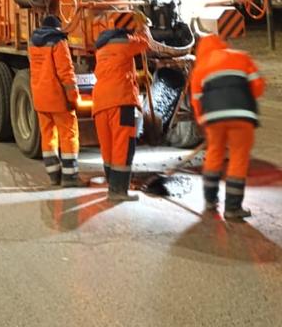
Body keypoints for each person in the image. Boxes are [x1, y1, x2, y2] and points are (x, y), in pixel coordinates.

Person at [92, 14, 187, 201]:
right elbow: (146, 43)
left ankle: (113, 185)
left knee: (108, 147)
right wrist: (144, 25)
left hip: (100, 103)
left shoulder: (101, 48)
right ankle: (118, 192)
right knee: (123, 146)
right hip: (121, 101)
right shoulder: (124, 43)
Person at [189, 33, 266, 220]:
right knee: (238, 157)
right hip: (241, 115)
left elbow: (196, 100)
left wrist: (203, 121)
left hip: (213, 118)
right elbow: (258, 85)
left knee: (214, 153)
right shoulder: (241, 56)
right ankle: (232, 208)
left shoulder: (199, 69)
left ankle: (210, 200)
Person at [29, 13, 80, 186]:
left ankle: (54, 176)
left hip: (40, 97)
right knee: (68, 134)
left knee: (48, 135)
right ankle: (70, 176)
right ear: (57, 27)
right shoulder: (58, 42)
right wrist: (73, 97)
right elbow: (66, 71)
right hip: (57, 97)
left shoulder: (33, 43)